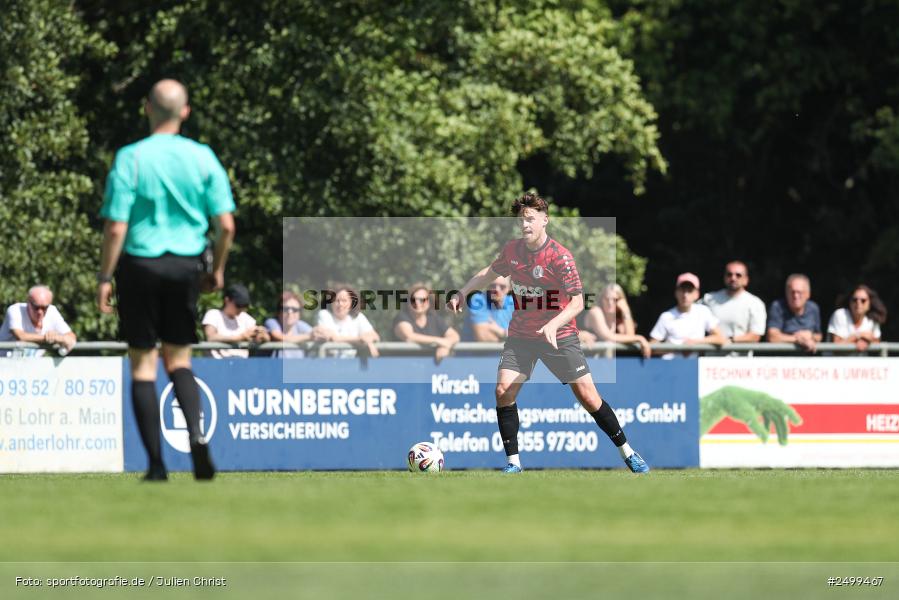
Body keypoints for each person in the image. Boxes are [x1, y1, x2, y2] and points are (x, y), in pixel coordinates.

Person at [448, 191, 649, 474]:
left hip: (560, 335)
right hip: (521, 336)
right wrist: (462, 292)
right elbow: (488, 274)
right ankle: (513, 463)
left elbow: (578, 301)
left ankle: (627, 452)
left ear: (545, 220)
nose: (525, 224)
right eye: (522, 220)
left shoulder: (560, 257)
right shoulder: (512, 251)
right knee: (503, 390)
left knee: (589, 398)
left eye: (530, 219)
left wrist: (554, 324)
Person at [98, 78, 236, 481]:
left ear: (147, 108)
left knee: (143, 364)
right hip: (185, 265)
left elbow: (115, 228)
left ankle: (156, 465)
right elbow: (226, 226)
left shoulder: (131, 158)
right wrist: (217, 270)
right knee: (179, 359)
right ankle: (197, 443)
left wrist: (105, 275)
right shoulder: (202, 157)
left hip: (139, 266)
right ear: (185, 111)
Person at [649, 273, 726, 358]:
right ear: (676, 292)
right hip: (670, 368)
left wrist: (696, 342)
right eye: (682, 290)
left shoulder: (703, 311)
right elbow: (652, 346)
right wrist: (679, 348)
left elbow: (720, 338)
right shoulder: (666, 316)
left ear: (696, 294)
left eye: (689, 290)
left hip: (695, 367)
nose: (685, 295)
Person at [701, 261, 767, 344]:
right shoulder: (708, 299)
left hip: (740, 356)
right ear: (724, 277)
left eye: (738, 275)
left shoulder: (755, 303)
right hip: (711, 356)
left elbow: (755, 336)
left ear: (746, 280)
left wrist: (730, 340)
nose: (733, 278)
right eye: (729, 274)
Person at [0, 285, 77, 356]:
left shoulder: (52, 311)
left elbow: (71, 336)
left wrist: (57, 337)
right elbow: (21, 336)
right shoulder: (15, 310)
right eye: (36, 307)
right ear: (28, 302)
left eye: (44, 308)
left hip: (30, 366)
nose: (40, 312)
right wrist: (48, 338)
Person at [393, 282, 460, 362]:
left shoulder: (434, 319)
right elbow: (409, 337)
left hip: (433, 371)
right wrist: (439, 341)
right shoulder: (401, 317)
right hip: (404, 368)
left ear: (429, 303)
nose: (417, 302)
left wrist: (446, 346)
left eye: (422, 300)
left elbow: (454, 336)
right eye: (413, 299)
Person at [582, 284, 651, 358]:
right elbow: (608, 336)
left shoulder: (618, 320)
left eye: (615, 300)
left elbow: (630, 337)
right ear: (601, 299)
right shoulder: (595, 311)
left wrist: (626, 310)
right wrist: (640, 338)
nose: (610, 303)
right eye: (607, 299)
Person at [203, 283, 270, 358]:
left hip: (241, 365)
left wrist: (262, 335)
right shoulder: (213, 314)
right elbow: (211, 337)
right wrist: (240, 337)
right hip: (218, 364)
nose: (241, 309)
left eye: (245, 305)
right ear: (227, 300)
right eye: (239, 305)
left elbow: (265, 338)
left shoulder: (246, 318)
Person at [312, 284, 380, 357]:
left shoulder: (358, 317)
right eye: (336, 300)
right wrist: (360, 340)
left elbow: (375, 336)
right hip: (324, 363)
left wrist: (368, 341)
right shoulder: (324, 314)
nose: (340, 304)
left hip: (348, 364)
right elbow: (332, 338)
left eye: (344, 301)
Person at [766, 274, 822, 352]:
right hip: (782, 359)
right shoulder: (777, 307)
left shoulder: (813, 308)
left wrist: (811, 336)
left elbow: (819, 336)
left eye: (799, 292)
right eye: (792, 292)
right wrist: (798, 339)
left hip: (808, 360)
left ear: (808, 294)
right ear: (786, 293)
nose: (795, 296)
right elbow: (772, 337)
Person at [827, 284, 886, 351]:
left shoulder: (873, 320)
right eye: (855, 300)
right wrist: (859, 336)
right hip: (834, 360)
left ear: (870, 304)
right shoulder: (840, 315)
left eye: (863, 300)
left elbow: (877, 343)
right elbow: (836, 347)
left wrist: (866, 341)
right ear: (850, 302)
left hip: (859, 361)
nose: (858, 303)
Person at [463, 276, 514, 342]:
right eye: (492, 286)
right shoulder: (478, 300)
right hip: (478, 351)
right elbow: (483, 337)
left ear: (509, 288)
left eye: (502, 287)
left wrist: (500, 332)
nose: (496, 290)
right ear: (487, 286)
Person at [264, 291, 313, 358]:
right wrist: (309, 336)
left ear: (299, 313)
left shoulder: (300, 325)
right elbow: (280, 337)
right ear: (279, 311)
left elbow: (317, 333)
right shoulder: (272, 322)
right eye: (285, 309)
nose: (290, 312)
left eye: (295, 309)